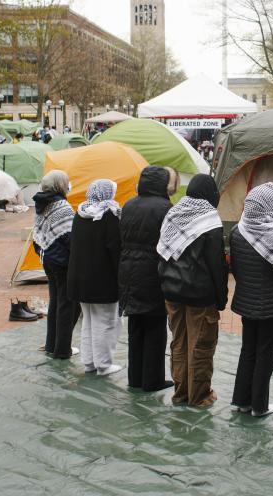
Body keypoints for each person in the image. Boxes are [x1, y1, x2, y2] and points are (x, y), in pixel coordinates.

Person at [157, 174, 228, 407]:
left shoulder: (173, 214)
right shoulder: (210, 221)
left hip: (172, 292)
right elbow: (217, 266)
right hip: (200, 295)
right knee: (201, 346)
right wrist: (221, 298)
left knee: (178, 342)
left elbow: (162, 253)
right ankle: (199, 396)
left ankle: (180, 393)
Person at [230, 182, 273, 417]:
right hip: (270, 307)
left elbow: (235, 268)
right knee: (265, 355)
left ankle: (241, 400)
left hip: (246, 302)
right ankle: (259, 406)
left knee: (248, 350)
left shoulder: (238, 231)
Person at [119, 166, 175, 392]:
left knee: (136, 326)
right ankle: (152, 380)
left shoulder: (129, 204)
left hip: (127, 269)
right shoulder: (166, 208)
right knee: (155, 326)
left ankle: (135, 377)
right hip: (153, 271)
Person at [68, 179, 123, 375]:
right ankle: (104, 364)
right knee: (106, 322)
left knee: (89, 321)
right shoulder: (109, 216)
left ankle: (89, 362)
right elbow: (116, 250)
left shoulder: (80, 212)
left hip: (80, 279)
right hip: (102, 280)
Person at [32, 170, 78, 358]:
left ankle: (51, 344)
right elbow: (70, 238)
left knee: (55, 303)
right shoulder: (62, 206)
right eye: (66, 182)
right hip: (62, 262)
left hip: (48, 257)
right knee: (67, 305)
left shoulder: (41, 203)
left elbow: (37, 233)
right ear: (61, 185)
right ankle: (62, 349)